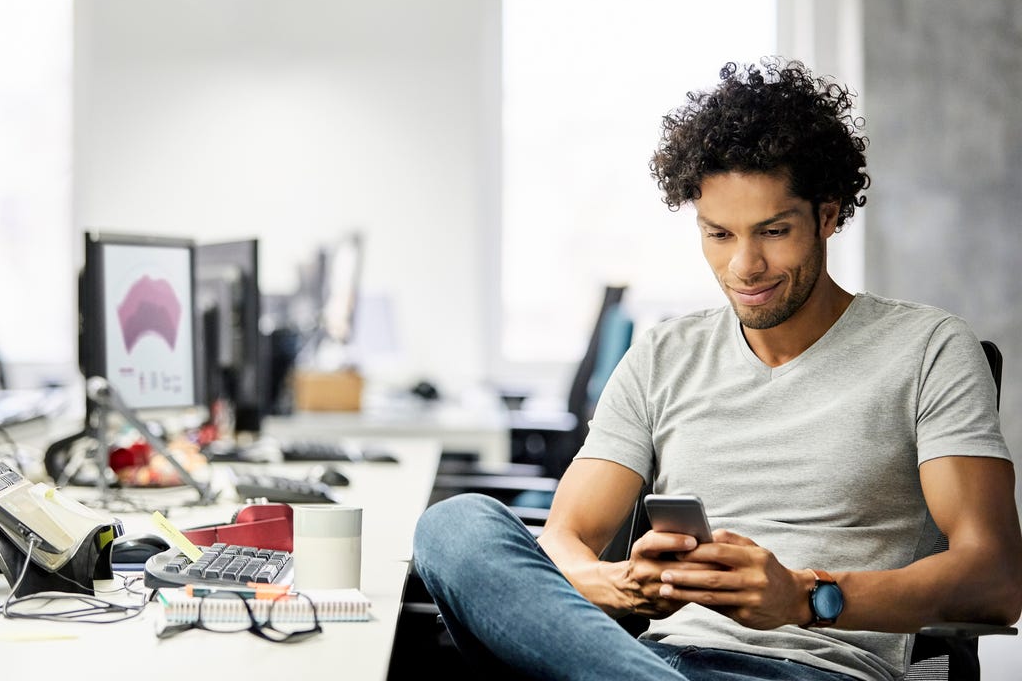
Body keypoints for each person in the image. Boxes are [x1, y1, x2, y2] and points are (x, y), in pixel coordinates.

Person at [412, 57, 1022, 681]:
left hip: (811, 669)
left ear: (829, 216)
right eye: (719, 234)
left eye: (774, 231)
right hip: (646, 662)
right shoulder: (663, 356)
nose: (745, 266)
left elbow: (995, 577)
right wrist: (623, 585)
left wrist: (806, 597)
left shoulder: (928, 348)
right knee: (454, 526)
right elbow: (565, 541)